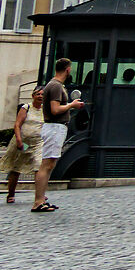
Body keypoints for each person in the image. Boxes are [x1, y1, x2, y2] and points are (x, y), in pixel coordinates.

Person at [32, 58, 83, 213]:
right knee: (46, 164)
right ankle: (38, 201)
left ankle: (41, 199)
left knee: (49, 164)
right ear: (67, 70)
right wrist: (72, 105)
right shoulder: (55, 86)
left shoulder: (55, 85)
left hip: (56, 127)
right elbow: (55, 109)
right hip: (54, 127)